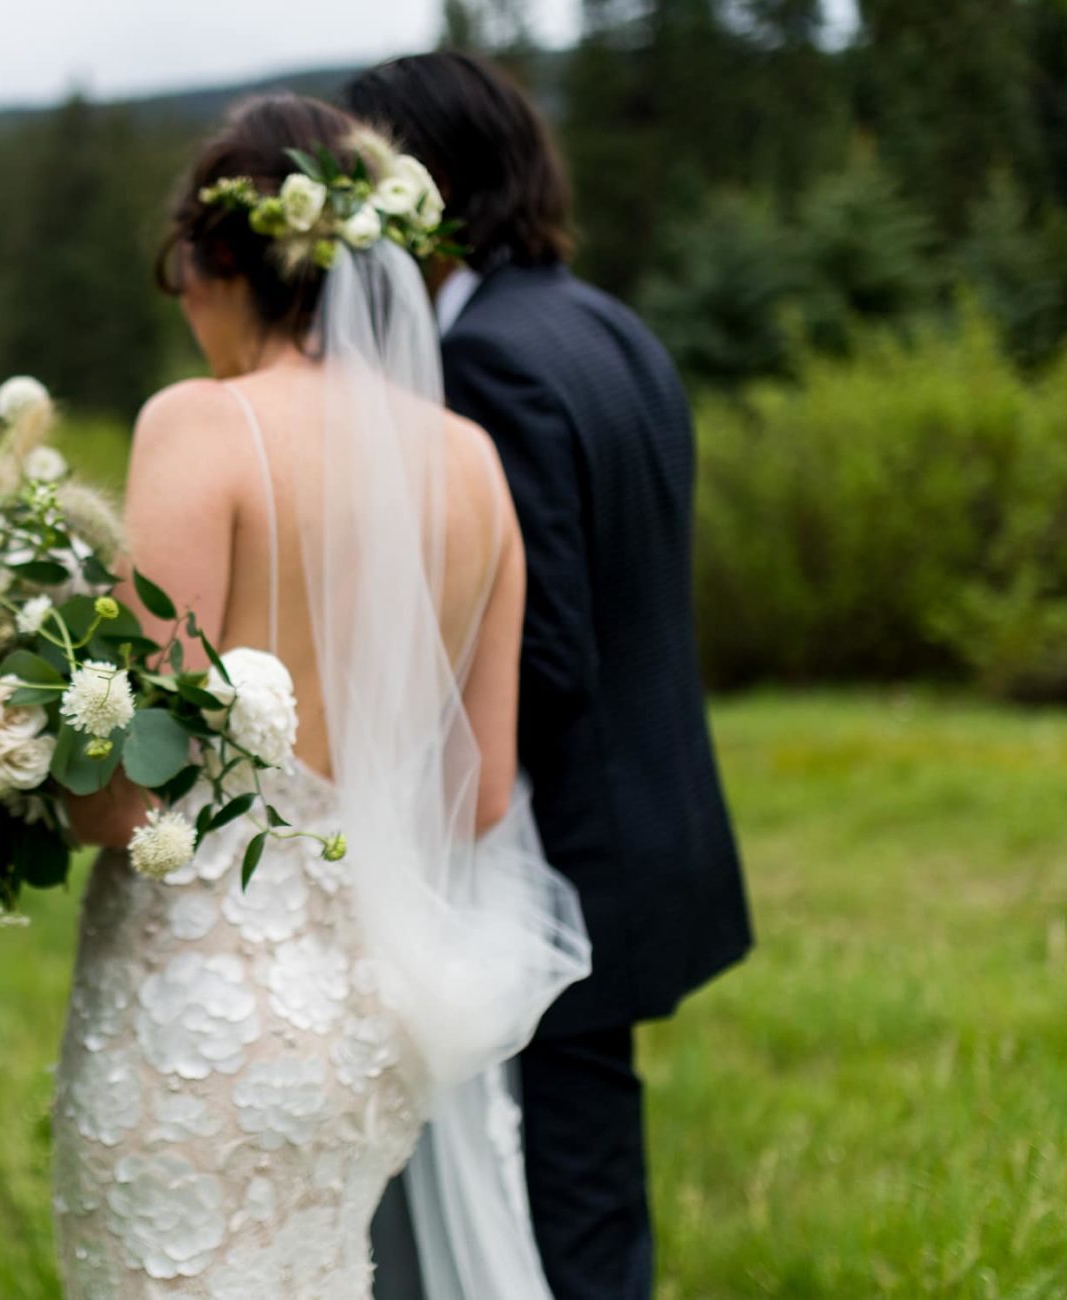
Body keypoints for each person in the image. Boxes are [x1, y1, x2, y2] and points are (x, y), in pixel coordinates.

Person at [52, 93, 590, 1298]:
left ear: (224, 255)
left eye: (180, 268)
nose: (183, 302)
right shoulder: (469, 461)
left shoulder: (200, 428)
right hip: (367, 1029)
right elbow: (485, 790)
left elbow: (128, 794)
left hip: (198, 1021)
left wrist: (1, 755)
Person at [343, 52, 754, 1300]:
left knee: (561, 1206)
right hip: (645, 830)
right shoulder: (602, 322)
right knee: (585, 1180)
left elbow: (545, 647)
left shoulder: (485, 367)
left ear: (425, 185)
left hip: (564, 853)